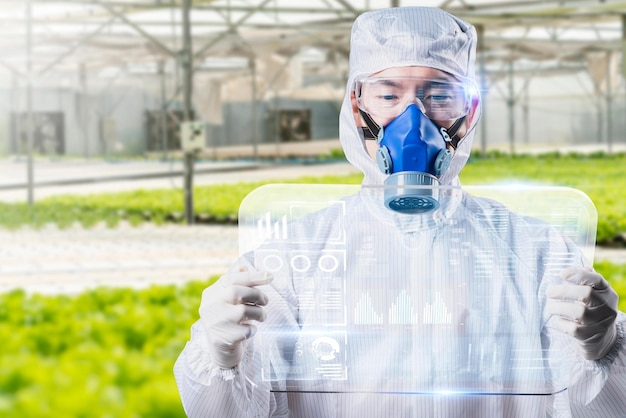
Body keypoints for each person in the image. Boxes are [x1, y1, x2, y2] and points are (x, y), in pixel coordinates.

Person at [174, 7, 625, 417]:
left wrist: (603, 351)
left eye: (439, 96)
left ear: (469, 113)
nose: (415, 122)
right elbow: (231, 412)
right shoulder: (293, 257)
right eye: (389, 96)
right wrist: (221, 358)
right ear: (357, 106)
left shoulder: (538, 250)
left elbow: (599, 410)